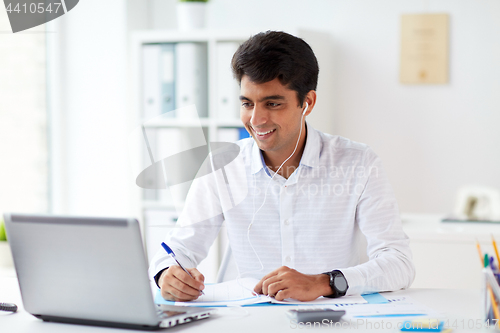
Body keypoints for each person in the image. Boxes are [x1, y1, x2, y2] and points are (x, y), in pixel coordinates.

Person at [149, 31, 415, 302]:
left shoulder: (357, 162)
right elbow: (176, 249)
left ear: (307, 102)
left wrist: (324, 282)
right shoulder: (222, 166)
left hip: (328, 322)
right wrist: (167, 275)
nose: (256, 119)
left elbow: (399, 263)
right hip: (245, 320)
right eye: (247, 103)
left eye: (272, 103)